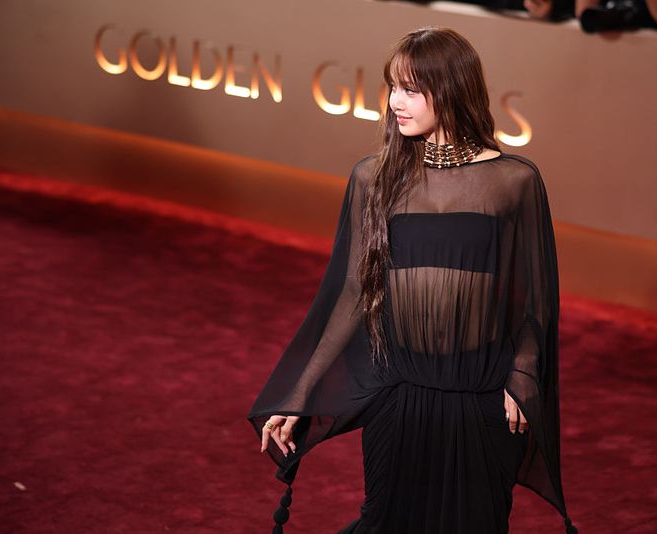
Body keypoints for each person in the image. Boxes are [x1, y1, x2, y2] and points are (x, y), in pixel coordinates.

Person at [248, 26, 578, 534]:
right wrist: (301, 394)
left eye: (411, 89)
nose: (395, 102)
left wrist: (522, 375)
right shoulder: (373, 178)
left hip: (480, 396)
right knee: (385, 522)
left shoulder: (514, 182)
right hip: (397, 394)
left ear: (450, 89)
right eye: (392, 87)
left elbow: (532, 298)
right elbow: (353, 297)